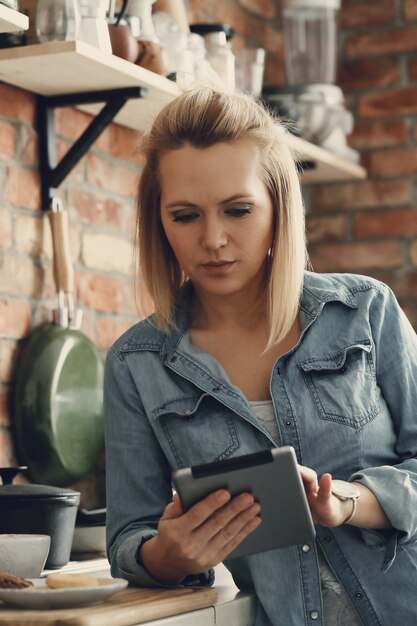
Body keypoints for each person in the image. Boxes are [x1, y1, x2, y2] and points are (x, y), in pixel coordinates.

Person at [104, 86, 417, 626]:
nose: (213, 239)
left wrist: (347, 501)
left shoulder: (365, 310)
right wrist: (169, 555)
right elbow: (130, 536)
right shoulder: (136, 363)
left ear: (278, 207)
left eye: (238, 209)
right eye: (185, 216)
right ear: (158, 222)